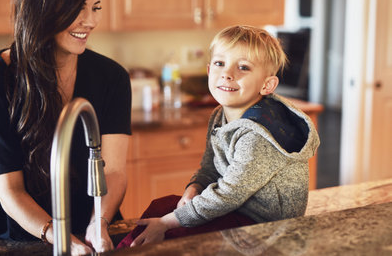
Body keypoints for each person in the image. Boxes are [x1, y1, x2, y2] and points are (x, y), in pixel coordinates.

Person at [0, 0, 131, 254]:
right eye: (77, 8)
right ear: (43, 7)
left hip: (88, 229)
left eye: (95, 8)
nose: (89, 21)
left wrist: (99, 223)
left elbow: (114, 171)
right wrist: (58, 235)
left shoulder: (112, 78)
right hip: (9, 237)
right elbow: (11, 191)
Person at [119, 25, 320, 248]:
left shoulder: (258, 136)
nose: (227, 73)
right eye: (220, 63)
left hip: (264, 230)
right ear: (208, 70)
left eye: (243, 67)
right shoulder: (218, 115)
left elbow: (227, 195)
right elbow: (210, 167)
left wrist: (167, 223)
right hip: (235, 211)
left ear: (267, 85)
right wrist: (194, 187)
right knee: (162, 205)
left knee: (175, 235)